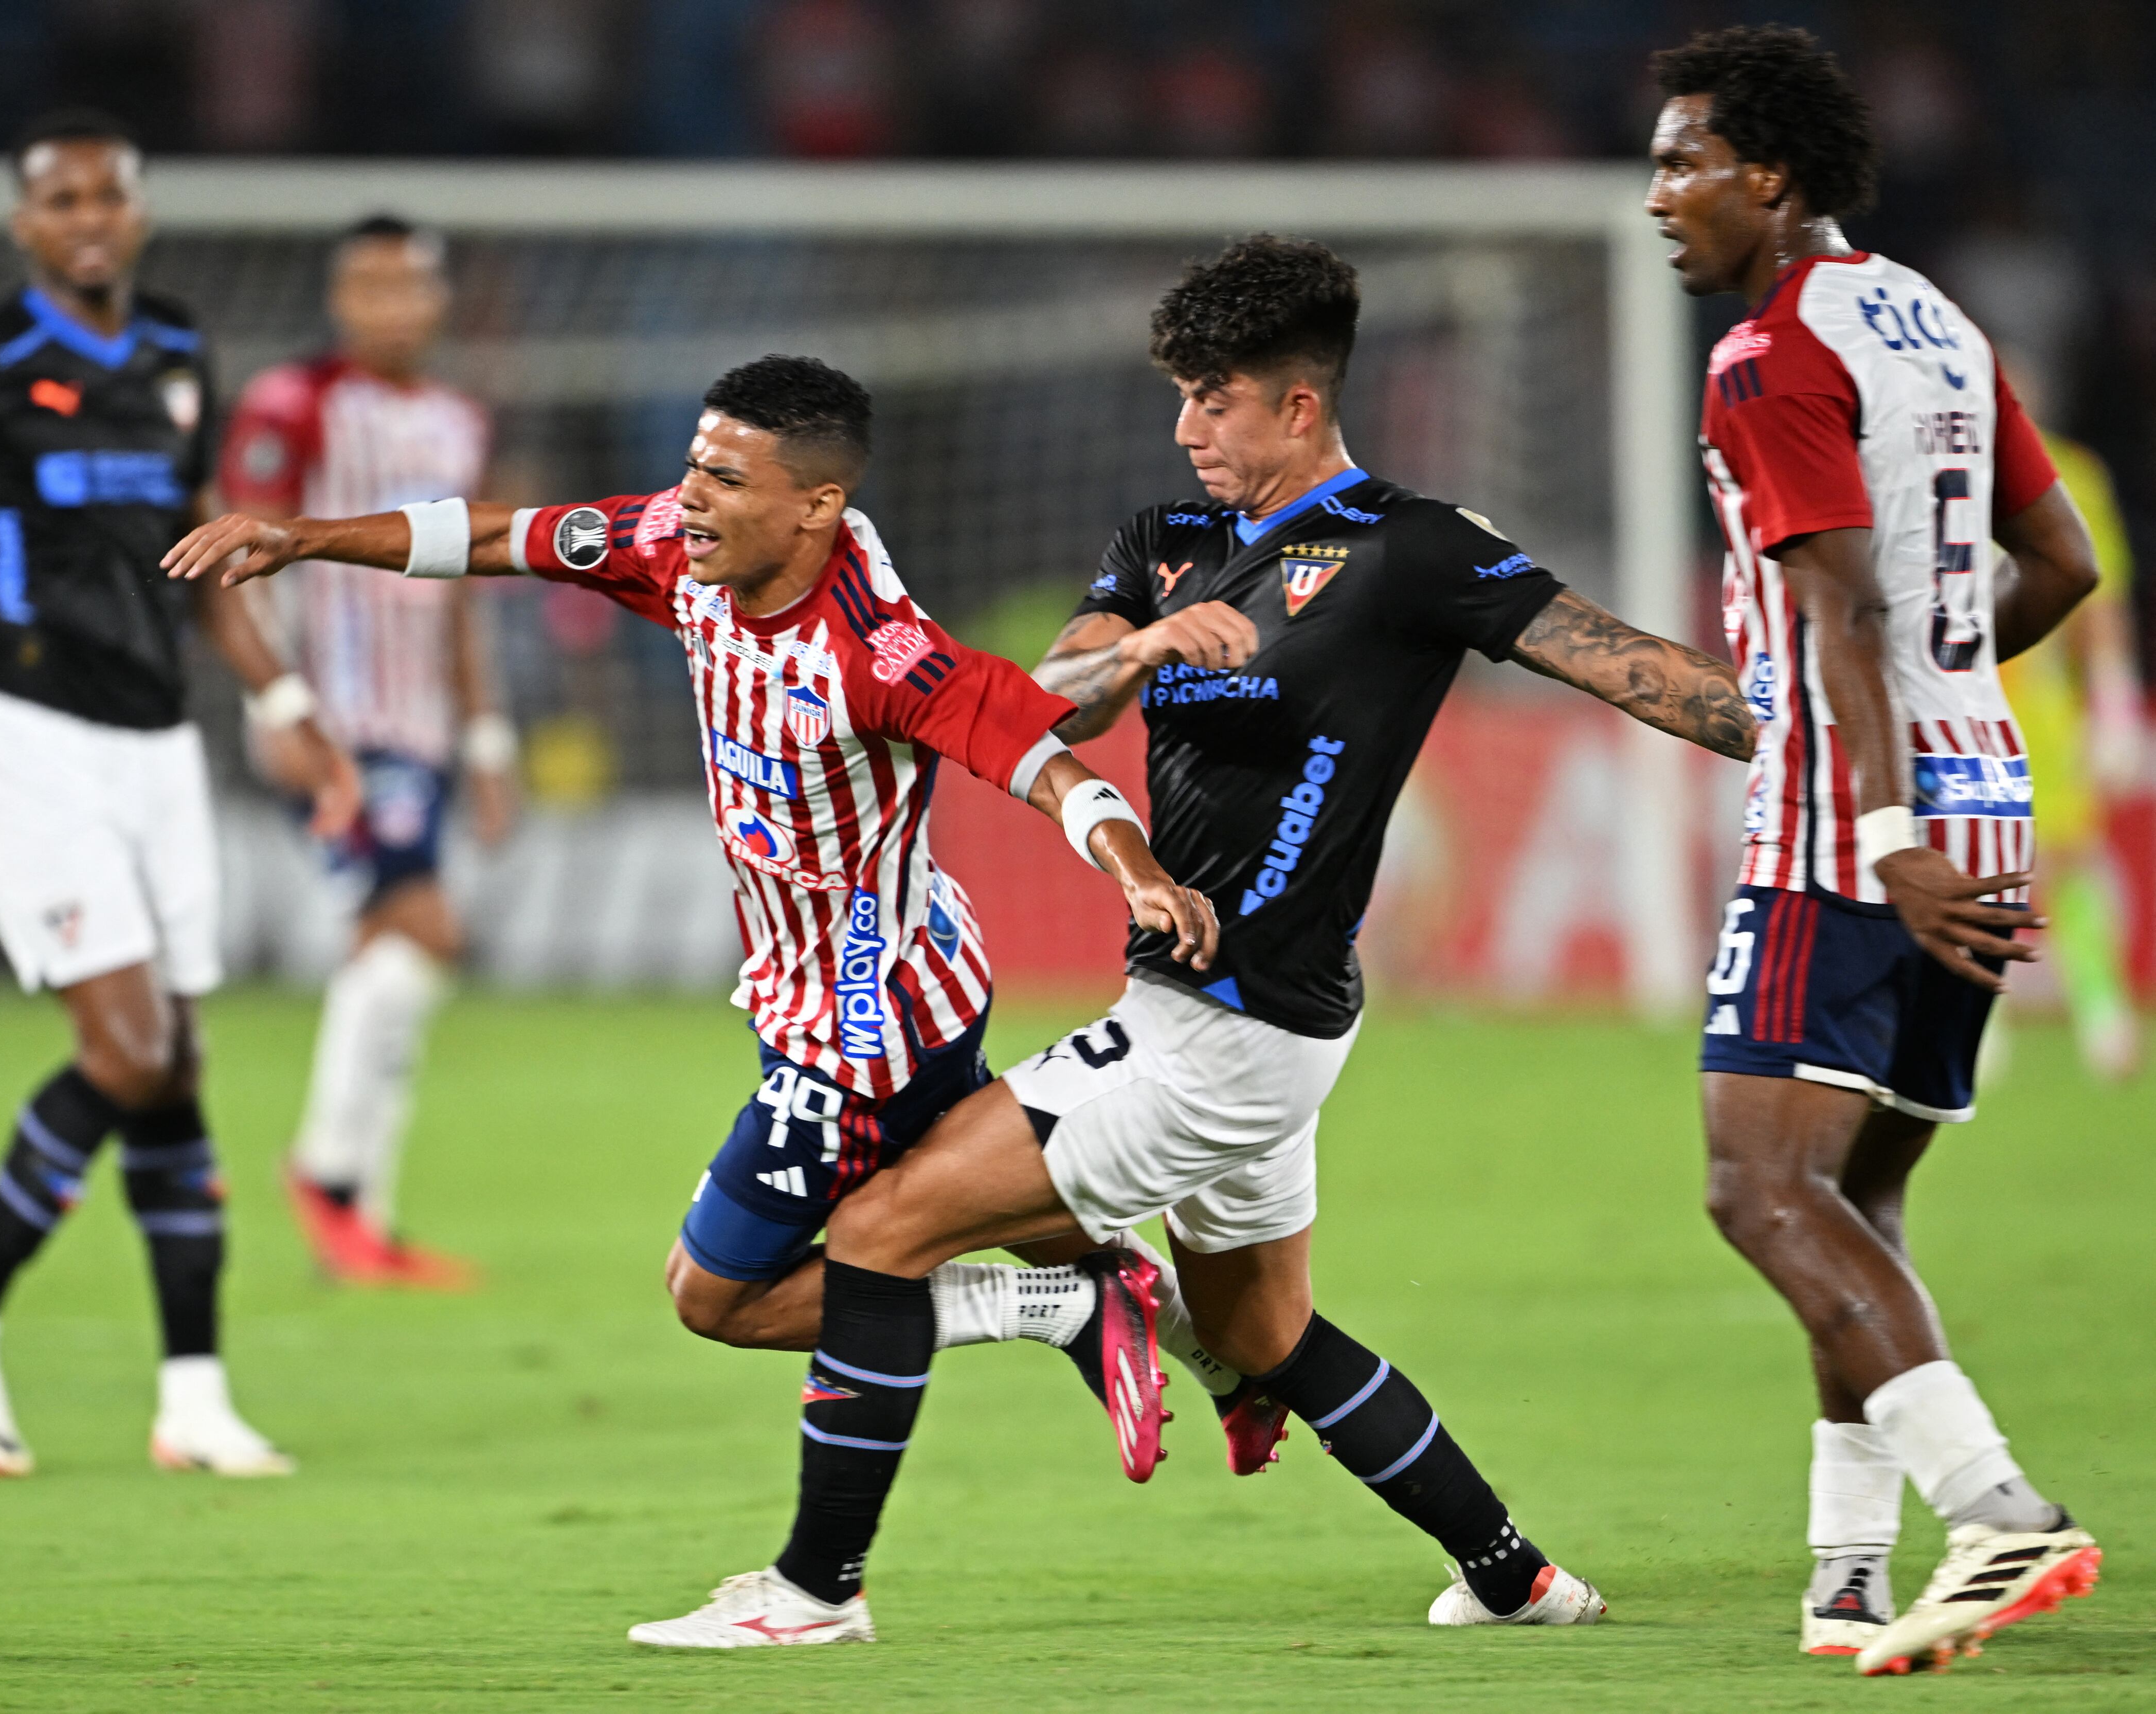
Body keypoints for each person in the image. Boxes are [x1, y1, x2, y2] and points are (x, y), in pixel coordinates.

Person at [615, 234, 1761, 1648]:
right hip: (1233, 1012)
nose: (1186, 426)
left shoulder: (1413, 548)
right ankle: (1516, 1572)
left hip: (1229, 1029)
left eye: (1213, 398)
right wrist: (1148, 648)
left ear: (1298, 402)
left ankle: (813, 1588)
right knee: (1266, 1331)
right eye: (1180, 395)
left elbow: (1638, 667)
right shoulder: (1164, 543)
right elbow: (1057, 700)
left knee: (880, 1226)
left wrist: (1851, 770)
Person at [165, 352, 1219, 1482]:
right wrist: (306, 535)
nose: (691, 497)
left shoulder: (882, 651)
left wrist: (1138, 870)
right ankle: (1229, 1346)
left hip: (862, 1022)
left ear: (816, 504)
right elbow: (495, 537)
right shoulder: (674, 544)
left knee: (717, 1294)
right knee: (986, 1197)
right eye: (692, 467)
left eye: (725, 477)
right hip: (857, 983)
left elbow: (1046, 764)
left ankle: (1060, 1311)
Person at [1645, 27, 2105, 1674]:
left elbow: (1833, 601)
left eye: (1684, 163)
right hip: (1980, 795)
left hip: (1857, 825)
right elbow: (2057, 563)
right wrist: (1946, 702)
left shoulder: (1768, 355)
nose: (1659, 201)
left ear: (1769, 176)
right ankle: (1849, 1568)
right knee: (1858, 1195)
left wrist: (1887, 819)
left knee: (1755, 1186)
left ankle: (1998, 1513)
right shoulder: (1932, 312)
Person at [0, 111, 356, 1479]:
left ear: (141, 208)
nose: (89, 216)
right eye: (60, 199)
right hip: (21, 733)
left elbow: (207, 549)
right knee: (123, 1046)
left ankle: (193, 1393)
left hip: (156, 739)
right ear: (25, 225)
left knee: (175, 1057)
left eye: (108, 193)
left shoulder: (176, 351)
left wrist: (283, 705)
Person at [220, 215, 515, 1287]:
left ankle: (360, 1218)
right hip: (336, 724)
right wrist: (281, 708)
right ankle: (328, 1177)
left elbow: (467, 587)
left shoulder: (457, 420)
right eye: (371, 287)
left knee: (395, 952)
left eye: (411, 286)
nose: (393, 307)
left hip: (426, 727)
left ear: (437, 300)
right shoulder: (291, 403)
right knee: (424, 928)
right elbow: (230, 554)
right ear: (342, 301)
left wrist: (487, 738)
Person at [1988, 362, 2142, 1081]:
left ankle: (2102, 1007)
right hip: (1965, 688)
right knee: (1972, 856)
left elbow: (2100, 598)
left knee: (2070, 855)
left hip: (2043, 699)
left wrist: (2111, 696)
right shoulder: (1941, 470)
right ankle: (1976, 1017)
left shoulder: (2072, 474)